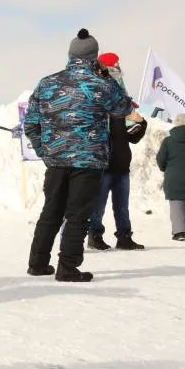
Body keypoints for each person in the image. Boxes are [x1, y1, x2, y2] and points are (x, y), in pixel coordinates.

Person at [24, 29, 141, 282]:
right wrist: (112, 78)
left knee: (51, 210)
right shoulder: (101, 84)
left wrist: (46, 151)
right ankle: (67, 267)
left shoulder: (47, 83)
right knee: (78, 213)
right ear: (95, 57)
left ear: (69, 54)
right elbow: (124, 108)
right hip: (88, 161)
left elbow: (31, 124)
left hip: (56, 160)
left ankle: (37, 263)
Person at [86, 52, 147, 251]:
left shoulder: (121, 106)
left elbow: (132, 137)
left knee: (122, 207)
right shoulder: (97, 105)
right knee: (98, 207)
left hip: (121, 164)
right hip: (103, 165)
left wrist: (142, 123)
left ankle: (124, 237)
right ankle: (94, 236)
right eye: (114, 68)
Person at [156, 113, 185, 241]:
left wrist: (164, 168)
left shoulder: (168, 141)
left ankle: (179, 232)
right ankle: (181, 229)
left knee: (176, 205)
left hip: (173, 177)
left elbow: (161, 159)